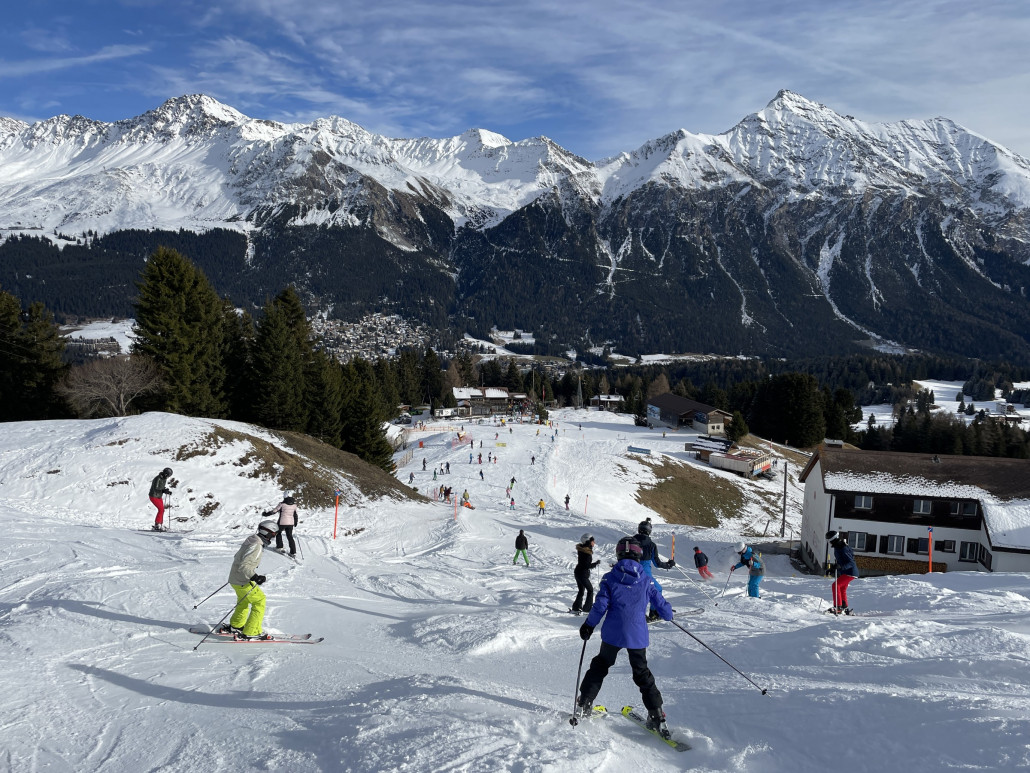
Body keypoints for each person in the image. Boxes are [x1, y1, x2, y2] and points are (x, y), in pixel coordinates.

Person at [576, 536, 674, 738]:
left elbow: (600, 605)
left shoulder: (610, 577)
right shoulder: (647, 580)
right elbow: (662, 606)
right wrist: (668, 614)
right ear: (639, 555)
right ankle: (657, 717)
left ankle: (584, 703)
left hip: (613, 633)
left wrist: (589, 625)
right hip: (637, 635)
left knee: (601, 665)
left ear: (618, 554)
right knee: (642, 673)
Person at [225, 520, 279, 640]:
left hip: (235, 579)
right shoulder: (257, 546)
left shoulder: (251, 541)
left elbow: (238, 559)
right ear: (267, 532)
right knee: (259, 601)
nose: (273, 537)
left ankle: (236, 626)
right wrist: (255, 577)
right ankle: (252, 632)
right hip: (242, 580)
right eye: (273, 534)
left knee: (243, 602)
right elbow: (244, 566)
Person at [636, 518, 675, 621]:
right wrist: (668, 565)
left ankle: (637, 613)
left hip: (631, 572)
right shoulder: (651, 545)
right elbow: (657, 563)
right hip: (645, 575)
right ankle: (654, 613)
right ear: (649, 531)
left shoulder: (630, 542)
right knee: (657, 590)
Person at [827, 531, 859, 614]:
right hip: (847, 571)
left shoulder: (842, 547)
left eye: (828, 540)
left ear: (832, 539)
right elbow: (841, 561)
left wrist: (840, 567)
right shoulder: (838, 546)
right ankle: (844, 607)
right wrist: (833, 568)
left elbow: (851, 562)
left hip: (850, 572)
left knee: (835, 585)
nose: (828, 542)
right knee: (841, 588)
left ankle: (838, 607)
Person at [571, 534, 600, 613]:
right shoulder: (586, 553)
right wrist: (596, 563)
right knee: (590, 590)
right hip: (582, 574)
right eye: (592, 541)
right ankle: (587, 609)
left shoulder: (582, 550)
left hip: (578, 572)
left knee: (581, 590)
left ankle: (576, 607)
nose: (594, 542)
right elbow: (586, 565)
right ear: (588, 541)